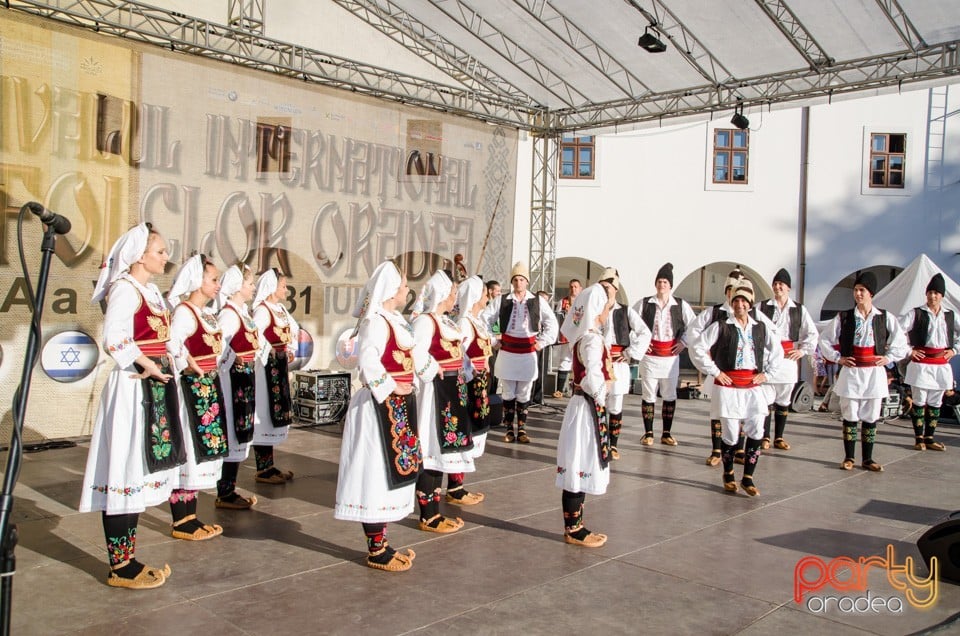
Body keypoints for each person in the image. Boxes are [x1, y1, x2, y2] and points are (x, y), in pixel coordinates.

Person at [80, 223, 179, 589]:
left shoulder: (150, 291)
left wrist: (167, 359)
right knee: (124, 467)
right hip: (133, 386)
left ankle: (128, 560)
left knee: (137, 469)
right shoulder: (125, 289)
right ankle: (120, 566)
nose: (165, 257)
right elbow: (114, 338)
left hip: (152, 385)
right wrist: (145, 362)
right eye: (160, 251)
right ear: (139, 255)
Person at [334, 260, 421, 571]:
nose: (407, 290)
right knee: (374, 473)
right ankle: (376, 549)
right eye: (404, 285)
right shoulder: (377, 323)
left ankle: (382, 542)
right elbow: (369, 363)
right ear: (391, 289)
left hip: (395, 407)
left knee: (389, 474)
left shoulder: (394, 319)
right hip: (377, 408)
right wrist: (393, 387)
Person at [691, 279, 783, 496]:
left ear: (750, 304)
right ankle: (729, 473)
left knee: (757, 429)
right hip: (729, 386)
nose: (740, 304)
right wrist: (715, 372)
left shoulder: (760, 327)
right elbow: (698, 348)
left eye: (744, 301)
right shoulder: (721, 326)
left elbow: (777, 351)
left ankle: (748, 477)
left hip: (752, 385)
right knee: (731, 435)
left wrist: (767, 374)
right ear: (731, 303)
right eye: (736, 300)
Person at [819, 272, 910, 471]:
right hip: (852, 372)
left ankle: (868, 458)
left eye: (862, 290)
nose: (858, 294)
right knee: (850, 414)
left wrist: (888, 358)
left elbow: (901, 343)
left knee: (871, 415)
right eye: (856, 290)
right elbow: (824, 339)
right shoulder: (844, 316)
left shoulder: (884, 317)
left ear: (871, 293)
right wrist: (837, 358)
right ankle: (849, 457)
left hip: (874, 373)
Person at [165, 254, 227, 541]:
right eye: (213, 279)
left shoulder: (206, 314)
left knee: (201, 449)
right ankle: (181, 519)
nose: (217, 284)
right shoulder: (184, 313)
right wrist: (188, 362)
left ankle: (190, 515)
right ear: (196, 281)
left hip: (206, 388)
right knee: (189, 449)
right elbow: (172, 344)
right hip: (190, 391)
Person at [556, 283, 616, 547]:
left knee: (579, 462)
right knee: (578, 463)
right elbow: (592, 378)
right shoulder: (591, 339)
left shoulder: (585, 337)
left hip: (584, 406)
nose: (606, 311)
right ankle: (573, 528)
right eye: (605, 307)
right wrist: (604, 393)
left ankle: (576, 525)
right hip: (587, 405)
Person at [412, 269, 472, 532]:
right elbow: (415, 353)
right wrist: (432, 369)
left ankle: (435, 512)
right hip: (435, 394)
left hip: (452, 391)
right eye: (453, 291)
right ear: (444, 292)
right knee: (430, 449)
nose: (455, 296)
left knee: (441, 452)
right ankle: (428, 515)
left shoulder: (446, 321)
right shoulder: (425, 322)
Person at [483, 261, 558, 443]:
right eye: (515, 279)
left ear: (527, 282)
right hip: (507, 350)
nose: (518, 283)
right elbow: (484, 318)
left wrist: (543, 341)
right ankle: (509, 429)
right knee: (508, 392)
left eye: (522, 279)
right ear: (512, 281)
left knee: (524, 392)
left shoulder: (537, 300)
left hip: (528, 352)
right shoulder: (502, 300)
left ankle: (522, 429)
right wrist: (493, 340)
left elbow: (552, 323)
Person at [687, 269, 747, 466]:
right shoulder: (714, 313)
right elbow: (694, 332)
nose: (735, 295)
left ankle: (739, 448)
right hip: (719, 371)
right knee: (717, 411)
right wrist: (707, 356)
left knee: (742, 410)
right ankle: (717, 449)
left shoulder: (752, 315)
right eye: (731, 290)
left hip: (742, 374)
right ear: (727, 292)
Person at [754, 268, 819, 450]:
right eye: (775, 284)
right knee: (766, 399)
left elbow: (812, 333)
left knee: (784, 399)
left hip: (788, 359)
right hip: (767, 357)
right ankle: (765, 436)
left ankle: (779, 437)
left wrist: (803, 351)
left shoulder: (798, 309)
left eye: (781, 284)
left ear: (788, 288)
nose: (777, 287)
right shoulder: (762, 306)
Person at [634, 263, 697, 448]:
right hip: (650, 356)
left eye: (665, 282)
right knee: (649, 394)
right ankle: (648, 433)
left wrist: (684, 342)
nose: (662, 284)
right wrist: (640, 344)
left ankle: (667, 433)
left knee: (669, 394)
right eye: (659, 281)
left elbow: (694, 325)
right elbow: (631, 324)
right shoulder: (645, 303)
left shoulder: (680, 304)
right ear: (655, 284)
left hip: (670, 357)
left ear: (670, 285)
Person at [214, 263, 260, 509]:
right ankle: (224, 490)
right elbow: (218, 349)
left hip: (243, 380)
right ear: (237, 286)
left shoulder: (242, 313)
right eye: (250, 283)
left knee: (240, 431)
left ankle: (229, 488)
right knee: (232, 430)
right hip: (232, 382)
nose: (253, 287)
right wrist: (235, 358)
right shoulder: (229, 315)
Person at [899, 273, 960, 451]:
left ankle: (930, 437)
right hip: (921, 364)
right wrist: (909, 351)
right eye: (930, 292)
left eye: (936, 293)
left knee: (935, 402)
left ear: (942, 296)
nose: (932, 296)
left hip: (941, 364)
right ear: (926, 294)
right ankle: (919, 438)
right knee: (919, 401)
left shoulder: (950, 316)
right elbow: (897, 332)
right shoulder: (916, 313)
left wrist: (954, 350)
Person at [251, 269, 299, 484]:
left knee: (272, 414)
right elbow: (254, 336)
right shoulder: (262, 311)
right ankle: (263, 468)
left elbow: (294, 330)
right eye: (283, 286)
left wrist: (290, 348)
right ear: (272, 287)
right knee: (263, 412)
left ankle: (268, 466)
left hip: (277, 367)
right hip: (264, 371)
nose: (286, 290)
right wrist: (269, 349)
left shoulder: (279, 309)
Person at [599, 268, 651, 460]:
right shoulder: (594, 309)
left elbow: (645, 332)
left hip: (618, 363)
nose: (606, 290)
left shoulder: (626, 311)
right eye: (603, 287)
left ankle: (613, 445)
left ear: (615, 289)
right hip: (598, 363)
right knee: (598, 403)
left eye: (609, 287)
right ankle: (600, 442)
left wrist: (630, 353)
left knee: (615, 404)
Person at [453, 275, 493, 505]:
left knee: (476, 429)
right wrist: (470, 374)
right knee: (465, 430)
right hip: (469, 384)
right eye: (485, 294)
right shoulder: (464, 323)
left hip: (480, 382)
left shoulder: (477, 321)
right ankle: (456, 486)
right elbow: (459, 355)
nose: (487, 297)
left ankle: (459, 484)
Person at [554, 278, 583, 398]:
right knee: (565, 361)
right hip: (566, 336)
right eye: (571, 286)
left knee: (580, 361)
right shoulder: (563, 302)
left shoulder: (583, 302)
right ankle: (559, 390)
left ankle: (578, 388)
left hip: (580, 337)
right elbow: (557, 318)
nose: (573, 289)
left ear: (580, 289)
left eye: (576, 287)